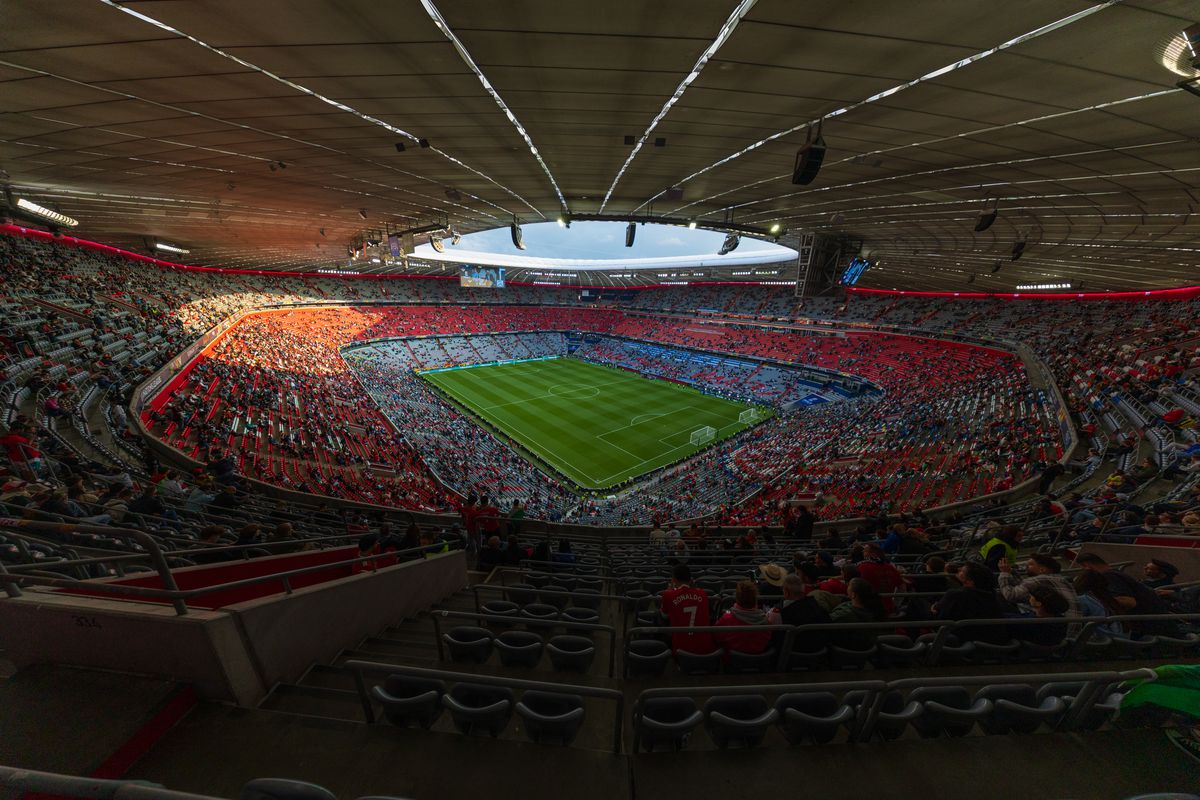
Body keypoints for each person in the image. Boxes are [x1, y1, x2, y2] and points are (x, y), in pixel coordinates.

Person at [933, 563, 1009, 643]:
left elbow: (941, 620)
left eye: (962, 571)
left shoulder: (955, 595)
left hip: (964, 640)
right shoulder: (994, 596)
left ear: (970, 581)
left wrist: (934, 610)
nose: (958, 570)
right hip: (994, 640)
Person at [997, 554, 1080, 616]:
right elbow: (1023, 586)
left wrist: (1004, 574)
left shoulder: (1041, 579)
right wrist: (1011, 572)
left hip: (1055, 630)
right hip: (1070, 627)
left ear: (1042, 569)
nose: (1026, 567)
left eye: (1030, 564)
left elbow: (1010, 595)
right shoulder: (1062, 580)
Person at [767, 574, 831, 653]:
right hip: (818, 651)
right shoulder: (818, 608)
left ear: (786, 592)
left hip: (791, 653)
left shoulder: (779, 613)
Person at [659, 563, 714, 654]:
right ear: (690, 579)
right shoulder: (703, 594)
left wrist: (670, 591)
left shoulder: (668, 594)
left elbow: (664, 616)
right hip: (705, 648)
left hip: (680, 648)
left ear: (674, 579)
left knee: (658, 616)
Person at [714, 580, 772, 655]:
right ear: (755, 599)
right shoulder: (766, 622)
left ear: (737, 599)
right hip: (758, 663)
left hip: (731, 662)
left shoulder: (727, 618)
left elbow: (716, 637)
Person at [828, 578, 887, 650]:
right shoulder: (873, 610)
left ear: (853, 595)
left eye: (849, 585)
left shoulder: (845, 615)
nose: (847, 586)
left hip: (844, 651)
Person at [856, 543, 908, 614]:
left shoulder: (861, 567)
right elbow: (902, 588)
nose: (862, 552)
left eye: (865, 551)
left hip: (867, 610)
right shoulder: (891, 568)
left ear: (872, 554)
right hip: (889, 609)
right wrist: (895, 603)